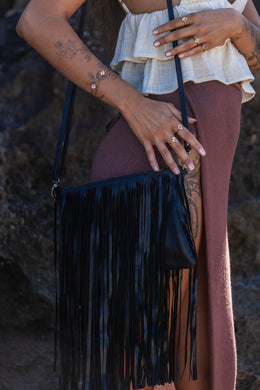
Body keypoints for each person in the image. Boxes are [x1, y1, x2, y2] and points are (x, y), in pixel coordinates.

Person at [16, 0, 260, 389]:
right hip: (157, 152)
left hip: (198, 148)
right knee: (147, 346)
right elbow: (36, 19)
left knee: (187, 327)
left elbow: (255, 55)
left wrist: (236, 25)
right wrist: (131, 103)